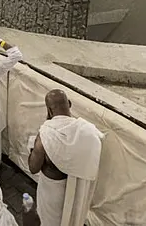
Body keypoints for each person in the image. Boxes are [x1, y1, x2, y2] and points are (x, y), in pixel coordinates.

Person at [28, 89, 103, 226]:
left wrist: (32, 148)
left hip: (53, 193)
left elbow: (33, 168)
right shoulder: (89, 131)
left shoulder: (45, 135)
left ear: (49, 111)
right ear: (69, 103)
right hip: (77, 193)